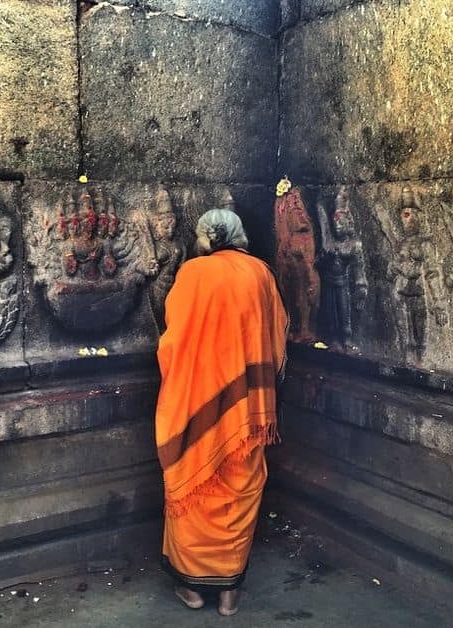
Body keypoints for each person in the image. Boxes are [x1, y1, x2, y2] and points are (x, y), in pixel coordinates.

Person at [155, 209, 288, 616]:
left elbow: (172, 339)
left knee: (195, 489)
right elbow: (279, 332)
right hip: (247, 412)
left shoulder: (194, 273)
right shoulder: (261, 274)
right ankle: (229, 596)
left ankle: (194, 592)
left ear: (208, 238)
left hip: (197, 404)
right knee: (238, 488)